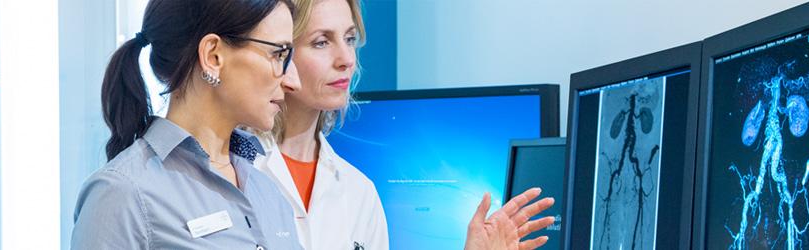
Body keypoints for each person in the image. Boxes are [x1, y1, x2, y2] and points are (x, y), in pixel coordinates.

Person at [254, 0, 557, 249]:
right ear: (280, 53)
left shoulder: (359, 192)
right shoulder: (232, 171)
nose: (346, 58)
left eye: (349, 39)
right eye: (322, 42)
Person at [70, 0, 306, 248]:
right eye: (279, 54)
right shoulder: (122, 194)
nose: (293, 82)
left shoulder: (266, 189)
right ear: (213, 55)